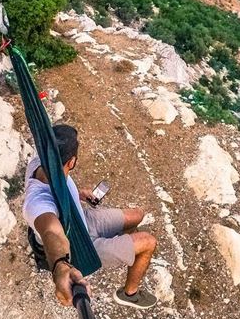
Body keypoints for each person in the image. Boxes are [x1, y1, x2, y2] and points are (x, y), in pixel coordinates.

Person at [22, 124, 159, 309]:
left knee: (137, 215)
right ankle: (130, 294)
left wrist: (77, 194)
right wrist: (61, 266)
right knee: (149, 242)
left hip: (80, 219)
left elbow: (58, 192)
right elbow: (51, 232)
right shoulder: (37, 204)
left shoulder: (42, 161)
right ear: (72, 162)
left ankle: (123, 245)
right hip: (77, 247)